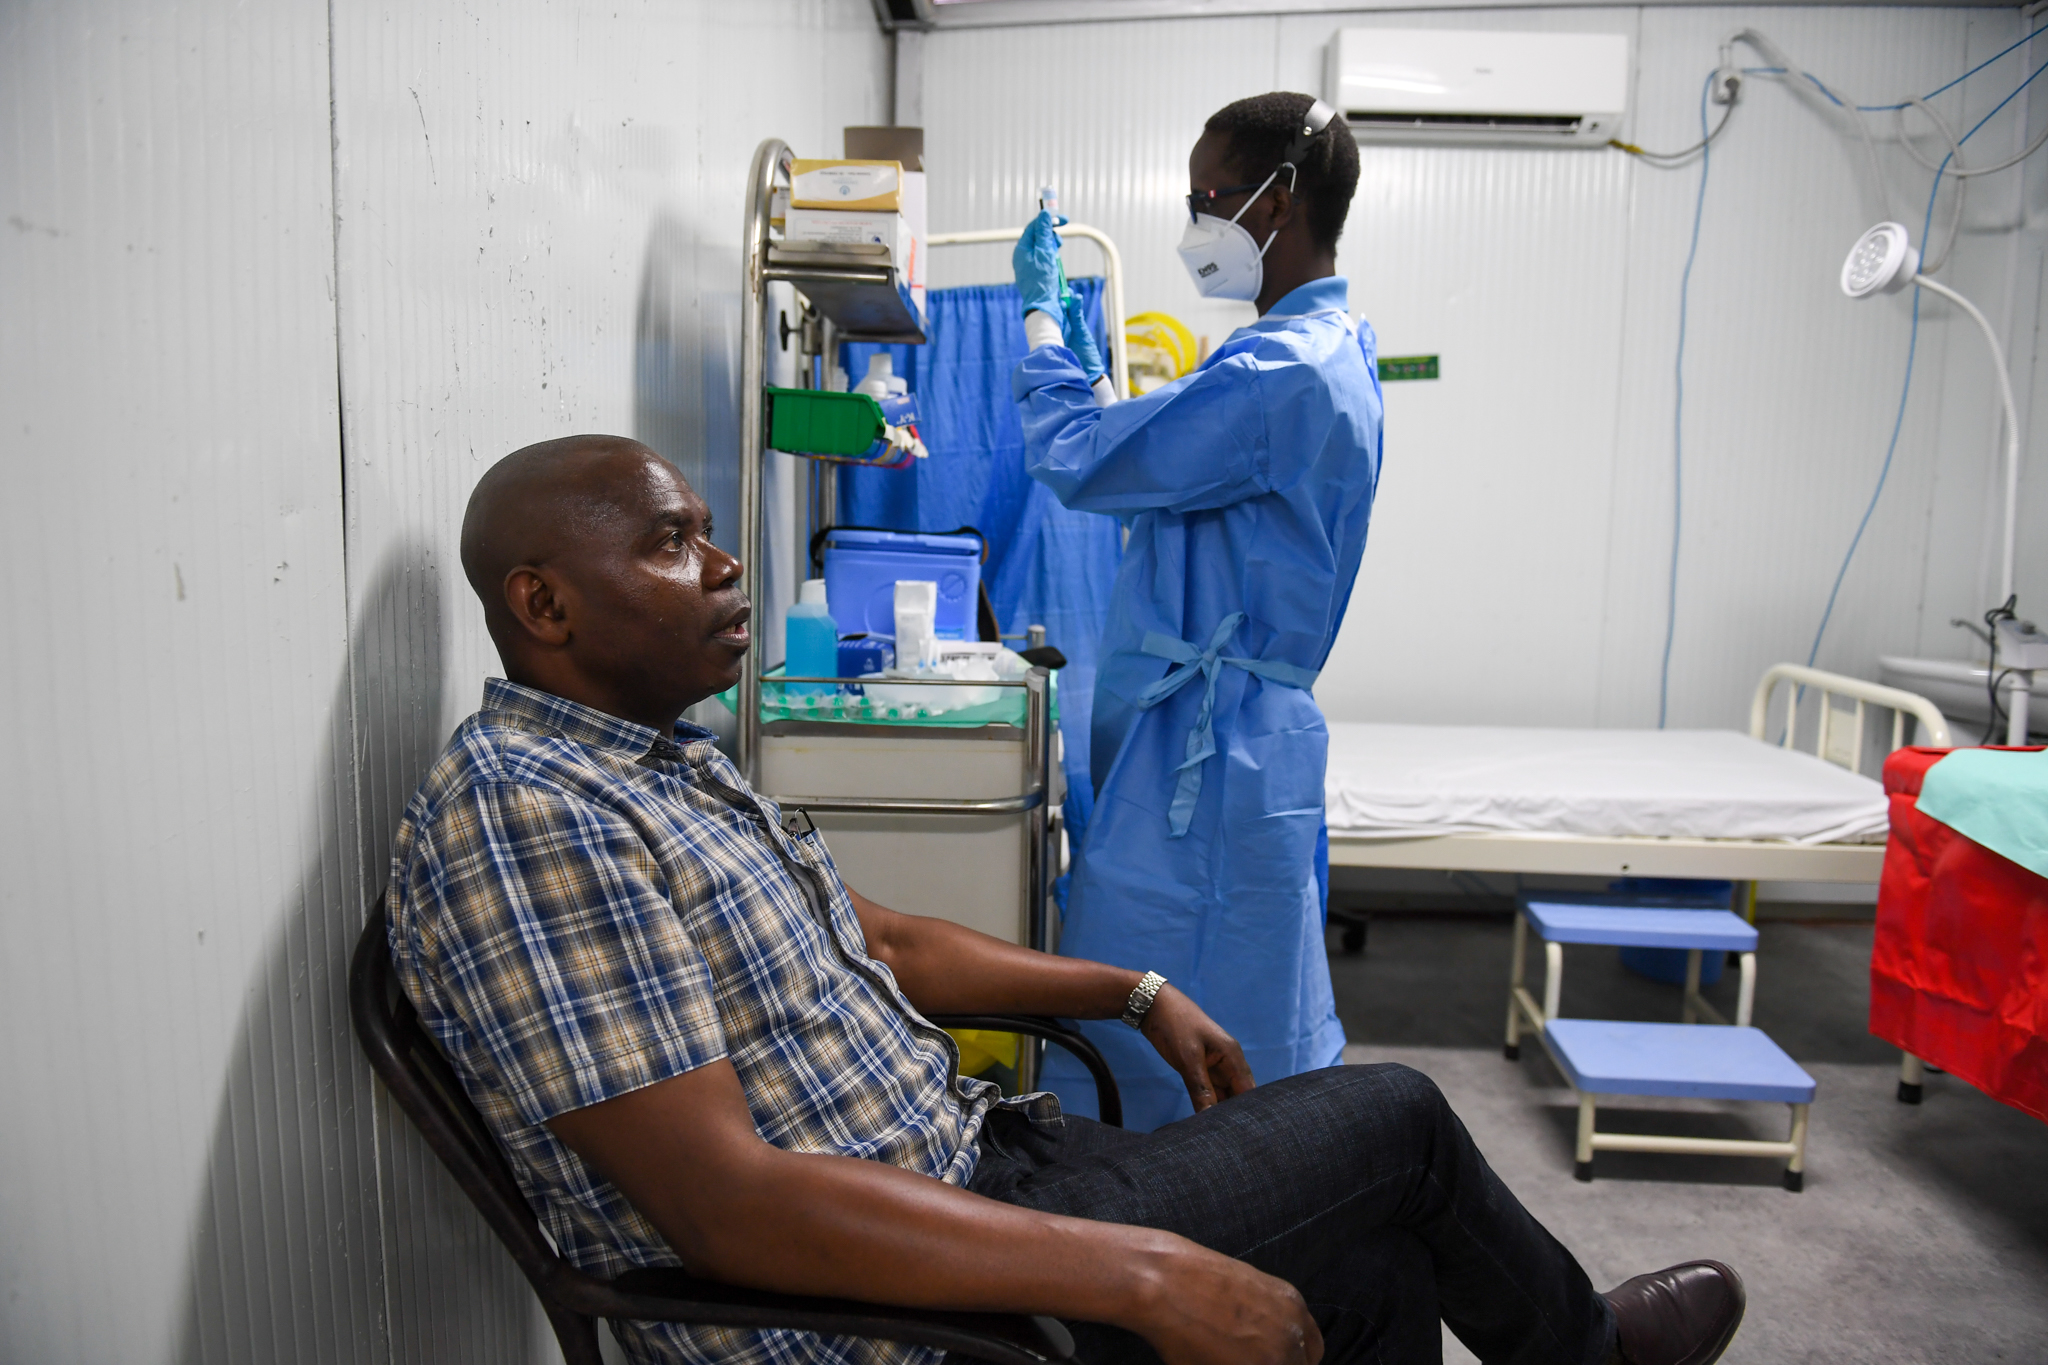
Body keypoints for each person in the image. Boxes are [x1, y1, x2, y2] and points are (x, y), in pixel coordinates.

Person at [385, 433, 1746, 1365]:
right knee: (1393, 1120)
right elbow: (729, 1209)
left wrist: (1132, 990)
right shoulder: (530, 815)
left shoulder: (663, 765)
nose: (726, 564)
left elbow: (889, 942)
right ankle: (1588, 1352)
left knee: (1377, 1258)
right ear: (545, 606)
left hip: (979, 1162)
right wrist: (1145, 1274)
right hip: (874, 1317)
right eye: (675, 543)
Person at [1009, 93, 1382, 1130]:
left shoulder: (1277, 374)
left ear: (1283, 202)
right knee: (1249, 996)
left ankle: (1172, 1223)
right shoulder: (1329, 348)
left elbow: (1076, 457)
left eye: (1211, 199)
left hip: (1206, 756)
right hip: (1238, 737)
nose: (1196, 226)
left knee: (1168, 1009)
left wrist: (1043, 318)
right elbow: (1163, 466)